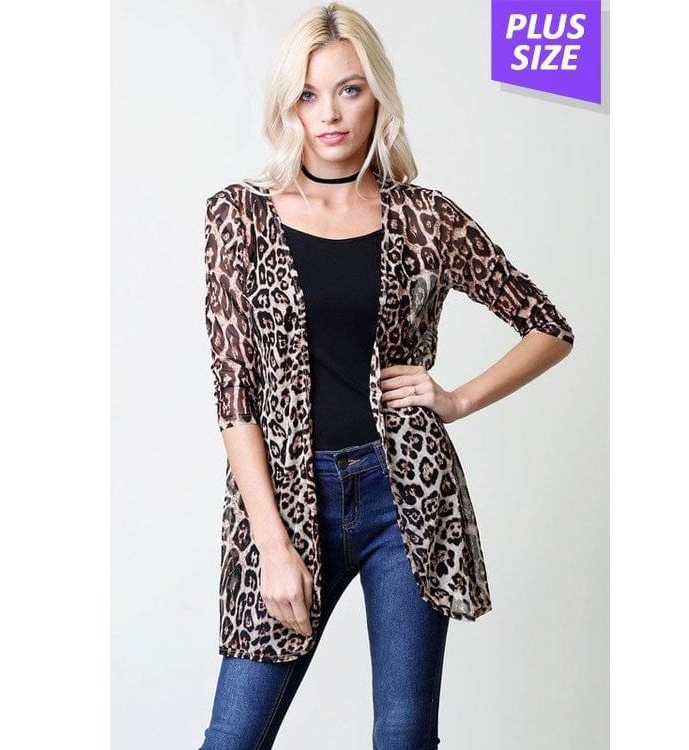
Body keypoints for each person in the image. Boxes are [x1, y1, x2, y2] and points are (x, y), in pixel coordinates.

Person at [198, 3, 574, 748]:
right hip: (285, 500)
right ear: (287, 106)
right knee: (233, 736)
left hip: (403, 495)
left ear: (377, 96)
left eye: (350, 89)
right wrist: (272, 545)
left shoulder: (425, 218)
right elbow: (233, 392)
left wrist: (456, 398)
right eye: (308, 95)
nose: (330, 114)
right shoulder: (238, 217)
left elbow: (548, 327)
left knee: (404, 734)